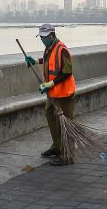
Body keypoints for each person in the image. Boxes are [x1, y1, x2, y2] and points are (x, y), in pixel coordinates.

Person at [24, 23, 76, 166]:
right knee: (49, 115)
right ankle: (57, 147)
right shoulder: (49, 48)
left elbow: (67, 71)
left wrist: (51, 84)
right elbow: (48, 61)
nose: (42, 40)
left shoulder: (62, 49)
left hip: (64, 93)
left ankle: (68, 155)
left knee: (66, 123)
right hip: (53, 94)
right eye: (41, 37)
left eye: (45, 37)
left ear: (52, 35)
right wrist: (35, 61)